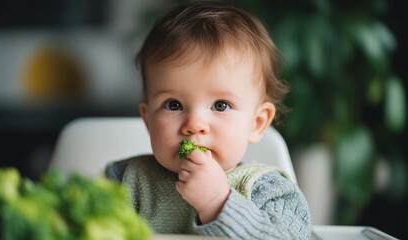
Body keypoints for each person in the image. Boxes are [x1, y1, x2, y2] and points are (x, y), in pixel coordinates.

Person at [106, 1, 312, 239]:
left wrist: (218, 204)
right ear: (149, 119)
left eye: (220, 105)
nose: (194, 124)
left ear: (256, 123)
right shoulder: (125, 180)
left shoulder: (269, 191)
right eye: (174, 105)